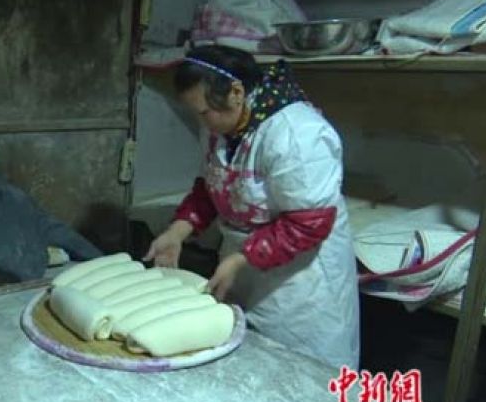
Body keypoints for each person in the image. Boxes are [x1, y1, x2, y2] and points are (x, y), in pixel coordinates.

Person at [144, 45, 360, 369]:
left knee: (303, 377)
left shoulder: (297, 135)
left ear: (236, 92)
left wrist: (239, 259)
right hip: (242, 268)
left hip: (300, 285)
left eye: (204, 112)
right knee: (249, 368)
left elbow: (308, 224)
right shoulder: (220, 127)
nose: (202, 122)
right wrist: (178, 231)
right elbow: (213, 187)